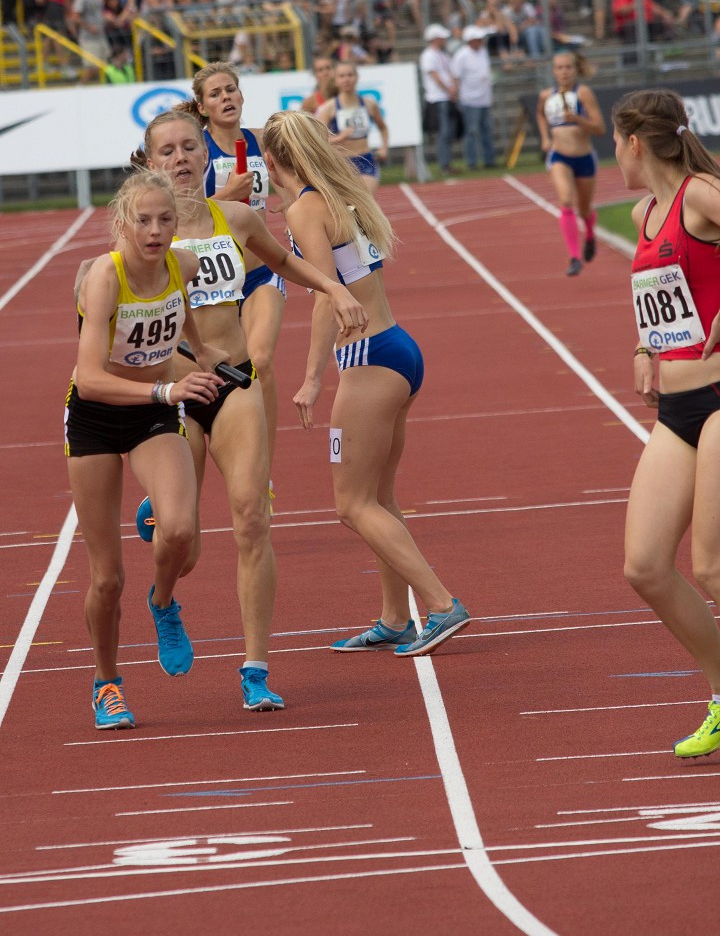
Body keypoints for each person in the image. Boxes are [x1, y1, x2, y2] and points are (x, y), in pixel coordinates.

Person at [133, 109, 368, 711]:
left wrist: (334, 286)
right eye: (169, 151)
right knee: (183, 547)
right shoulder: (141, 236)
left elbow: (285, 265)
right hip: (176, 397)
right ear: (150, 162)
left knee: (251, 520)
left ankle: (255, 667)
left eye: (190, 147)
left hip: (234, 384)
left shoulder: (233, 217)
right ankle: (163, 600)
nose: (182, 158)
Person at [262, 109, 470, 657]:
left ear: (272, 159)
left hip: (369, 359)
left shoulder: (308, 208)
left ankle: (442, 605)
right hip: (396, 347)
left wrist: (310, 379)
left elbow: (328, 300)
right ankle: (395, 617)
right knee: (379, 497)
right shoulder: (338, 196)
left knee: (351, 505)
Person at [68, 169, 228, 730]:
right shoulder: (105, 280)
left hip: (153, 415)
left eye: (165, 220)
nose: (156, 230)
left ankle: (163, 605)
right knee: (107, 578)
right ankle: (106, 683)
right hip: (95, 418)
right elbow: (88, 379)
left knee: (181, 532)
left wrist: (204, 354)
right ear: (122, 224)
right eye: (144, 220)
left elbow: (179, 317)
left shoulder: (182, 265)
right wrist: (166, 387)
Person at [613, 88, 720, 759]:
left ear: (635, 142)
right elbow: (666, 299)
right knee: (646, 565)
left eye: (615, 144)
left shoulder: (702, 195)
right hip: (677, 409)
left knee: (710, 564)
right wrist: (643, 346)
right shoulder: (642, 211)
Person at [181, 61, 286, 473]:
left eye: (231, 89)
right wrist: (227, 193)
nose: (226, 97)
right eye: (215, 93)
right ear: (202, 107)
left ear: (242, 96)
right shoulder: (197, 152)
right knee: (204, 370)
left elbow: (291, 191)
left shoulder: (262, 141)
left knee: (259, 360)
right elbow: (184, 210)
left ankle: (264, 471)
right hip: (214, 286)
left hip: (259, 274)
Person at [536, 50, 605, 277]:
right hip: (559, 157)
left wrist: (578, 120)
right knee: (565, 201)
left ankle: (590, 234)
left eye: (568, 67)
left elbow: (600, 129)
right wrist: (545, 138)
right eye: (559, 68)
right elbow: (539, 115)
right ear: (553, 71)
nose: (563, 72)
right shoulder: (546, 95)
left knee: (584, 208)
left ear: (575, 70)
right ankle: (574, 257)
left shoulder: (583, 93)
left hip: (584, 157)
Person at [315, 60, 389, 194]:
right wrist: (340, 138)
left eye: (350, 75)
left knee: (366, 201)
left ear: (356, 77)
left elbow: (383, 127)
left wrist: (383, 148)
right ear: (336, 80)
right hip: (342, 163)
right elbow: (318, 141)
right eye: (342, 76)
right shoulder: (328, 108)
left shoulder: (369, 104)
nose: (346, 79)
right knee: (349, 208)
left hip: (366, 160)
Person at [450, 25, 496, 171]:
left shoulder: (483, 52)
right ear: (470, 40)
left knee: (486, 130)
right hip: (470, 99)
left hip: (485, 98)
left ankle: (489, 160)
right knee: (471, 132)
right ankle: (472, 162)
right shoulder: (461, 55)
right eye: (478, 39)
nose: (480, 42)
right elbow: (456, 76)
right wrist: (456, 94)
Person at [419, 22, 457, 177]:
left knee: (447, 132)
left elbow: (449, 73)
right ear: (435, 38)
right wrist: (449, 90)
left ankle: (446, 163)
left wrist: (453, 89)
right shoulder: (428, 55)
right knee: (443, 132)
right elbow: (434, 75)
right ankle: (444, 164)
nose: (444, 39)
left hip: (444, 97)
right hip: (437, 97)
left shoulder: (441, 54)